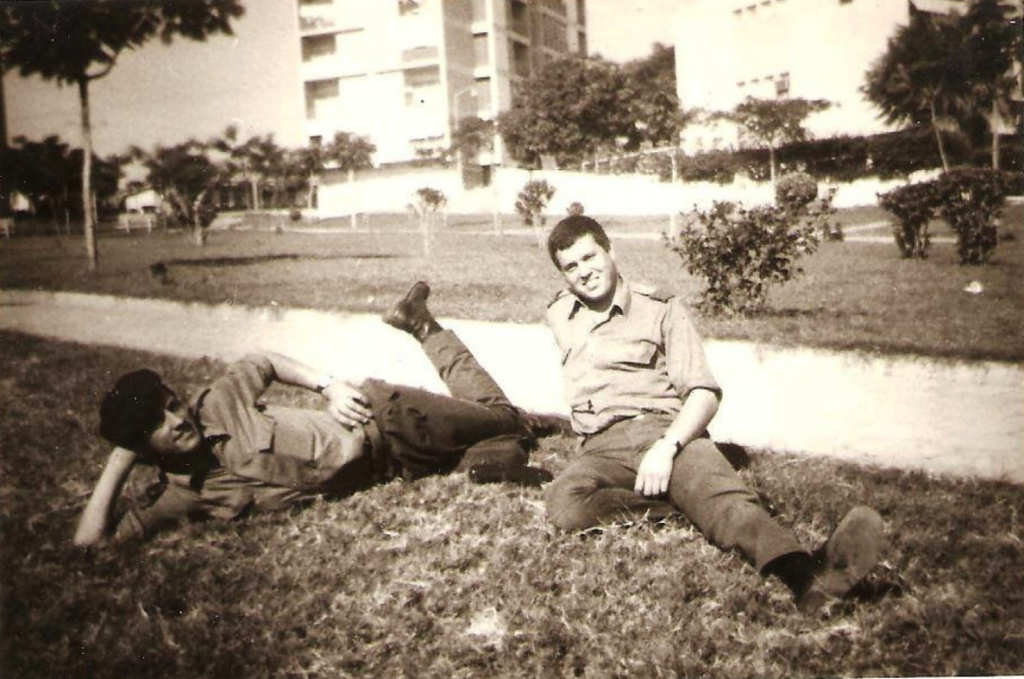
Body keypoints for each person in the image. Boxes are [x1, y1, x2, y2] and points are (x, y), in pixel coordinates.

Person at [541, 215, 885, 613]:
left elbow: (703, 393)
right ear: (563, 276)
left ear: (610, 251)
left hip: (664, 430)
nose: (584, 272)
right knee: (564, 503)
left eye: (589, 257)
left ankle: (807, 576)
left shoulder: (660, 309)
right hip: (600, 448)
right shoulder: (560, 313)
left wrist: (668, 447)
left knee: (724, 502)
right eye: (571, 266)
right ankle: (685, 510)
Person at [74, 283, 553, 547]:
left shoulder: (216, 405)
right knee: (494, 439)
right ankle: (501, 449)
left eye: (172, 406)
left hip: (389, 418)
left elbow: (263, 361)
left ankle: (423, 325)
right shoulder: (183, 497)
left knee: (503, 417)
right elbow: (91, 545)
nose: (178, 421)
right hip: (394, 467)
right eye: (156, 425)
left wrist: (329, 386)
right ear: (141, 446)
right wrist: (119, 460)